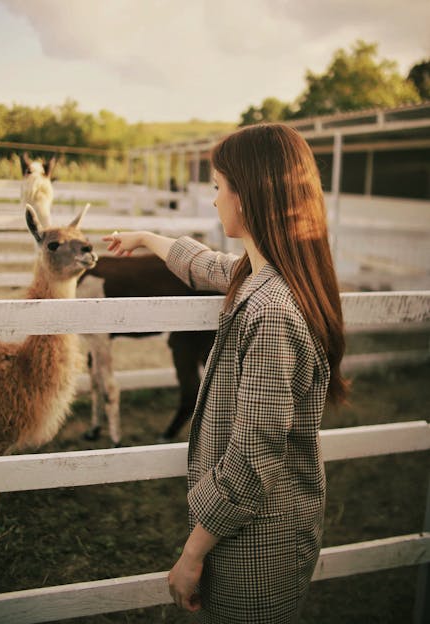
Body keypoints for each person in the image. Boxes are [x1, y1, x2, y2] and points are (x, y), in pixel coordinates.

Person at [103, 123, 348, 624]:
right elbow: (210, 266)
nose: (214, 201)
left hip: (256, 548)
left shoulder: (271, 310)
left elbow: (253, 457)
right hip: (260, 534)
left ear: (249, 195)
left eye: (218, 187)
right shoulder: (268, 275)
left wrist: (192, 554)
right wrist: (149, 238)